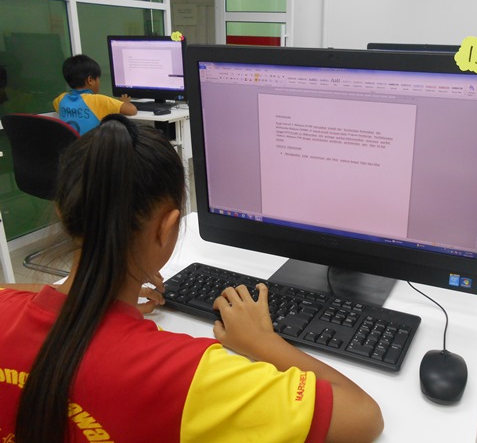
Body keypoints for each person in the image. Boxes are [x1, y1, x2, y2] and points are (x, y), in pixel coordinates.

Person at [0, 115, 383, 443]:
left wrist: (86, 296)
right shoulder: (185, 377)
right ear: (167, 227)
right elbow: (362, 417)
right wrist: (261, 342)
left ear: (63, 212)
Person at [53, 55, 137, 135]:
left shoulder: (61, 100)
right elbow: (132, 110)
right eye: (98, 78)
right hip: (91, 145)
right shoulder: (98, 100)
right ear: (90, 80)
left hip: (71, 145)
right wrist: (125, 102)